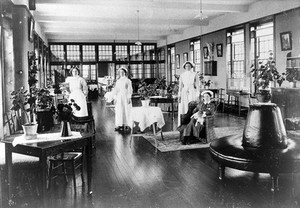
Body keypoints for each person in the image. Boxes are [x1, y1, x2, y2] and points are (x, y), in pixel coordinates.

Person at [178, 61, 200, 126]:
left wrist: (197, 95)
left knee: (192, 106)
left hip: (192, 91)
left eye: (189, 66)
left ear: (191, 67)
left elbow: (197, 85)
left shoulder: (194, 74)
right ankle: (184, 122)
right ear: (184, 67)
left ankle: (192, 123)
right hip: (184, 92)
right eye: (186, 66)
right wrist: (179, 95)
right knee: (184, 106)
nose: (188, 67)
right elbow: (180, 86)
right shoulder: (182, 75)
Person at [113, 66, 133, 132]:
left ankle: (127, 125)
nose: (121, 73)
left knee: (126, 110)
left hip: (125, 96)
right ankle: (120, 125)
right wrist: (115, 98)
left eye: (123, 72)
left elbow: (130, 89)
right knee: (119, 110)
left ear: (125, 73)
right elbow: (116, 90)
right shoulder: (118, 81)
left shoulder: (128, 80)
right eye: (120, 72)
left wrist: (129, 97)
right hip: (119, 97)